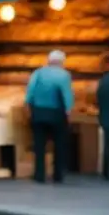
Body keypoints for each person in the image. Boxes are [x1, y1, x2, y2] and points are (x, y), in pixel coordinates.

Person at [25, 50, 73, 183]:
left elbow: (30, 92)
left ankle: (39, 175)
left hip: (38, 112)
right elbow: (67, 95)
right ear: (62, 62)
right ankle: (58, 174)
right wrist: (68, 112)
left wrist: (28, 108)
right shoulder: (64, 75)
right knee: (59, 144)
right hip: (57, 113)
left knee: (39, 145)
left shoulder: (38, 73)